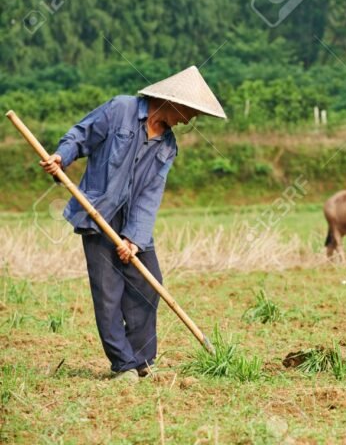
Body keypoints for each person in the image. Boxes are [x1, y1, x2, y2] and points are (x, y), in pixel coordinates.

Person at [39, 66, 226, 381]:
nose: (189, 120)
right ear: (172, 102)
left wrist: (134, 240)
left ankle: (141, 362)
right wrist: (61, 157)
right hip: (98, 211)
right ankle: (123, 365)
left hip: (133, 222)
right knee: (108, 292)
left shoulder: (168, 146)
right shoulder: (120, 109)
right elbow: (81, 135)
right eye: (190, 112)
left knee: (148, 284)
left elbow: (150, 196)